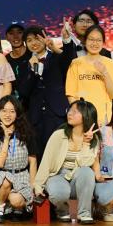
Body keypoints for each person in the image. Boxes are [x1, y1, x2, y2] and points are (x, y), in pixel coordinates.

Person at [33, 99, 100, 224]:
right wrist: (38, 186)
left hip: (77, 177)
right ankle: (62, 210)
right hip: (58, 175)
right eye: (70, 110)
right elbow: (46, 161)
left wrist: (86, 143)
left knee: (87, 172)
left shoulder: (93, 138)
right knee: (59, 193)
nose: (70, 113)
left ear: (86, 116)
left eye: (75, 112)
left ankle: (84, 213)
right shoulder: (59, 135)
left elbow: (85, 164)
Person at [16, 26, 76, 160]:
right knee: (39, 155)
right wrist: (32, 70)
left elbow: (70, 59)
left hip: (57, 114)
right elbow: (23, 92)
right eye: (29, 40)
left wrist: (65, 40)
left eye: (37, 38)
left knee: (59, 154)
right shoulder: (24, 65)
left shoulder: (56, 58)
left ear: (44, 39)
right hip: (35, 118)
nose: (34, 43)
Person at [0, 96, 37, 222]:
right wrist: (7, 139)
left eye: (12, 111)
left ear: (17, 114)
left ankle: (15, 207)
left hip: (21, 175)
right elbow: (0, 163)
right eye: (4, 111)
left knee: (16, 200)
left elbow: (33, 161)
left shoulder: (26, 131)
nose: (7, 115)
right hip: (2, 176)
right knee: (6, 180)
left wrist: (33, 185)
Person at [66, 25, 113, 127]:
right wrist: (78, 115)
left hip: (102, 119)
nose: (95, 43)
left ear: (103, 42)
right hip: (80, 119)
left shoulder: (110, 64)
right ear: (85, 41)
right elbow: (71, 94)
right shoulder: (76, 63)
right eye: (91, 39)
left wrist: (105, 73)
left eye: (98, 40)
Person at [4, 23, 32, 103]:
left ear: (25, 35)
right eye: (11, 33)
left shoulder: (33, 54)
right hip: (16, 105)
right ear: (6, 38)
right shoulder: (5, 60)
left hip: (35, 103)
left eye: (19, 32)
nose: (16, 36)